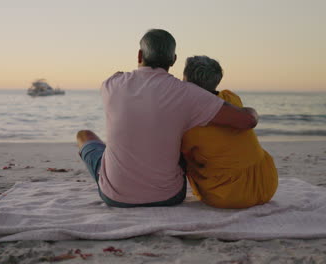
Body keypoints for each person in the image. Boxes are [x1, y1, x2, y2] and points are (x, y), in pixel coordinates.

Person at [76, 29, 258, 207]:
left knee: (84, 135)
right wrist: (251, 110)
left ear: (140, 55)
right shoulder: (188, 94)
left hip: (115, 196)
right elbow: (247, 121)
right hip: (168, 195)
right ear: (173, 60)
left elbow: (121, 77)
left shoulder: (111, 84)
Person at [181, 55, 278, 209]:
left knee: (183, 155)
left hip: (228, 195)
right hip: (267, 184)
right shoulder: (230, 97)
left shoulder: (190, 119)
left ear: (186, 80)